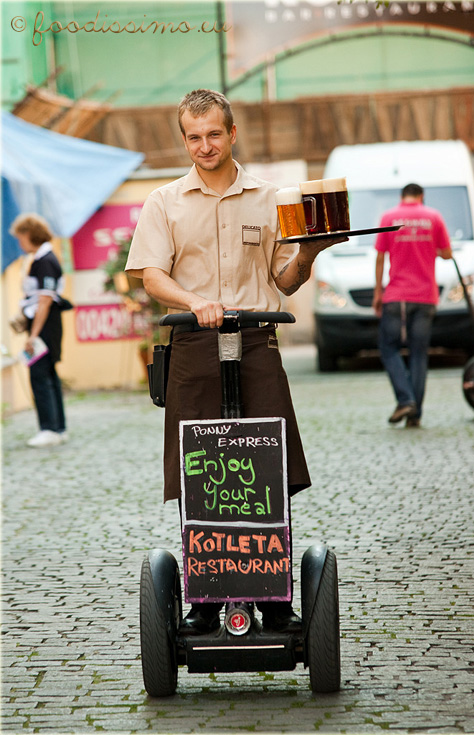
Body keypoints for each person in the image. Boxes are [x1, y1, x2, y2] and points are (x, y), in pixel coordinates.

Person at [126, 88, 346, 635]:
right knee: (201, 469)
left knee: (267, 469)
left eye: (213, 134)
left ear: (231, 132)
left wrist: (311, 252)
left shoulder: (270, 198)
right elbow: (152, 275)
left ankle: (272, 599)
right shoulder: (164, 201)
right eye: (193, 137)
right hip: (194, 350)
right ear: (184, 139)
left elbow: (283, 281)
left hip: (256, 346)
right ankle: (202, 602)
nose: (204, 146)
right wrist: (194, 302)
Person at [372, 183, 453, 427]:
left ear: (401, 197)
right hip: (425, 295)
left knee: (388, 348)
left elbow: (380, 256)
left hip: (397, 295)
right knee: (419, 353)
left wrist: (378, 291)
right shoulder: (434, 217)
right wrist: (430, 248)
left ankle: (406, 399)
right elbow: (447, 252)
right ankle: (414, 413)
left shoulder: (389, 217)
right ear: (421, 196)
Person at [11, 214, 68, 447]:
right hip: (45, 325)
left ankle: (49, 428)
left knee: (40, 375)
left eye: (20, 238)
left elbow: (44, 301)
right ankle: (58, 427)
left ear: (28, 234)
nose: (19, 243)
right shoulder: (42, 258)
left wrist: (33, 336)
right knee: (50, 376)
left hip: (44, 327)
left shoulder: (45, 260)